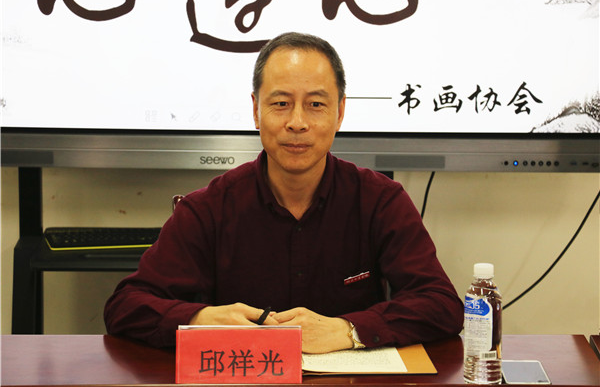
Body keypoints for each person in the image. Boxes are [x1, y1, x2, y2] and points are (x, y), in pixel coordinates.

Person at [104, 32, 463, 353]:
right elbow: (125, 306)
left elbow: (441, 304)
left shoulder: (380, 201)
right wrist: (201, 319)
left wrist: (348, 330)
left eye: (316, 104)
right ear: (256, 110)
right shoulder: (209, 208)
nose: (297, 122)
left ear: (340, 112)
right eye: (280, 103)